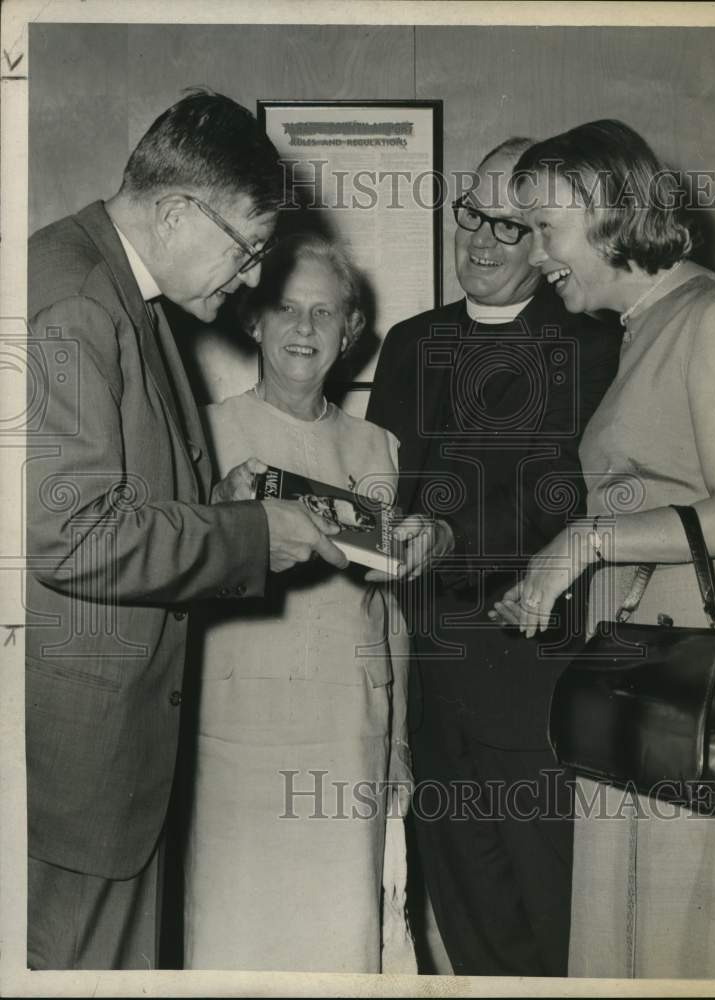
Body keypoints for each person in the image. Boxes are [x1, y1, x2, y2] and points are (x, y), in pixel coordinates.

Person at [25, 91, 347, 971]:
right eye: (245, 251)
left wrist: (219, 501)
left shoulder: (120, 291)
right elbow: (72, 533)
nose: (250, 279)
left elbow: (113, 492)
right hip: (78, 767)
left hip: (104, 756)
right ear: (175, 211)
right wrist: (245, 538)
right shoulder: (77, 304)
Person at [366, 139, 622, 976]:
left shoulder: (590, 343)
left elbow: (556, 489)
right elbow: (385, 482)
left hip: (530, 682)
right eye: (469, 213)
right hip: (427, 680)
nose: (478, 240)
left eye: (509, 226)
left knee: (554, 921)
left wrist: (444, 533)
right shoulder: (409, 341)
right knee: (462, 913)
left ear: (546, 241)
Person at [491, 119, 715, 978]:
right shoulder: (645, 323)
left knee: (674, 941)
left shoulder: (711, 320)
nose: (531, 252)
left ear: (602, 209)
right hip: (634, 680)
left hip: (687, 696)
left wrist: (585, 542)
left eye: (543, 227)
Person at [183, 234, 416, 973]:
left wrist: (400, 740)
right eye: (285, 308)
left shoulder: (380, 447)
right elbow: (169, 582)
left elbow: (387, 616)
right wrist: (220, 517)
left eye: (325, 312)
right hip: (234, 739)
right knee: (232, 940)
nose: (304, 329)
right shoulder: (205, 437)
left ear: (350, 333)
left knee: (339, 948)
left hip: (348, 738)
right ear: (253, 320)